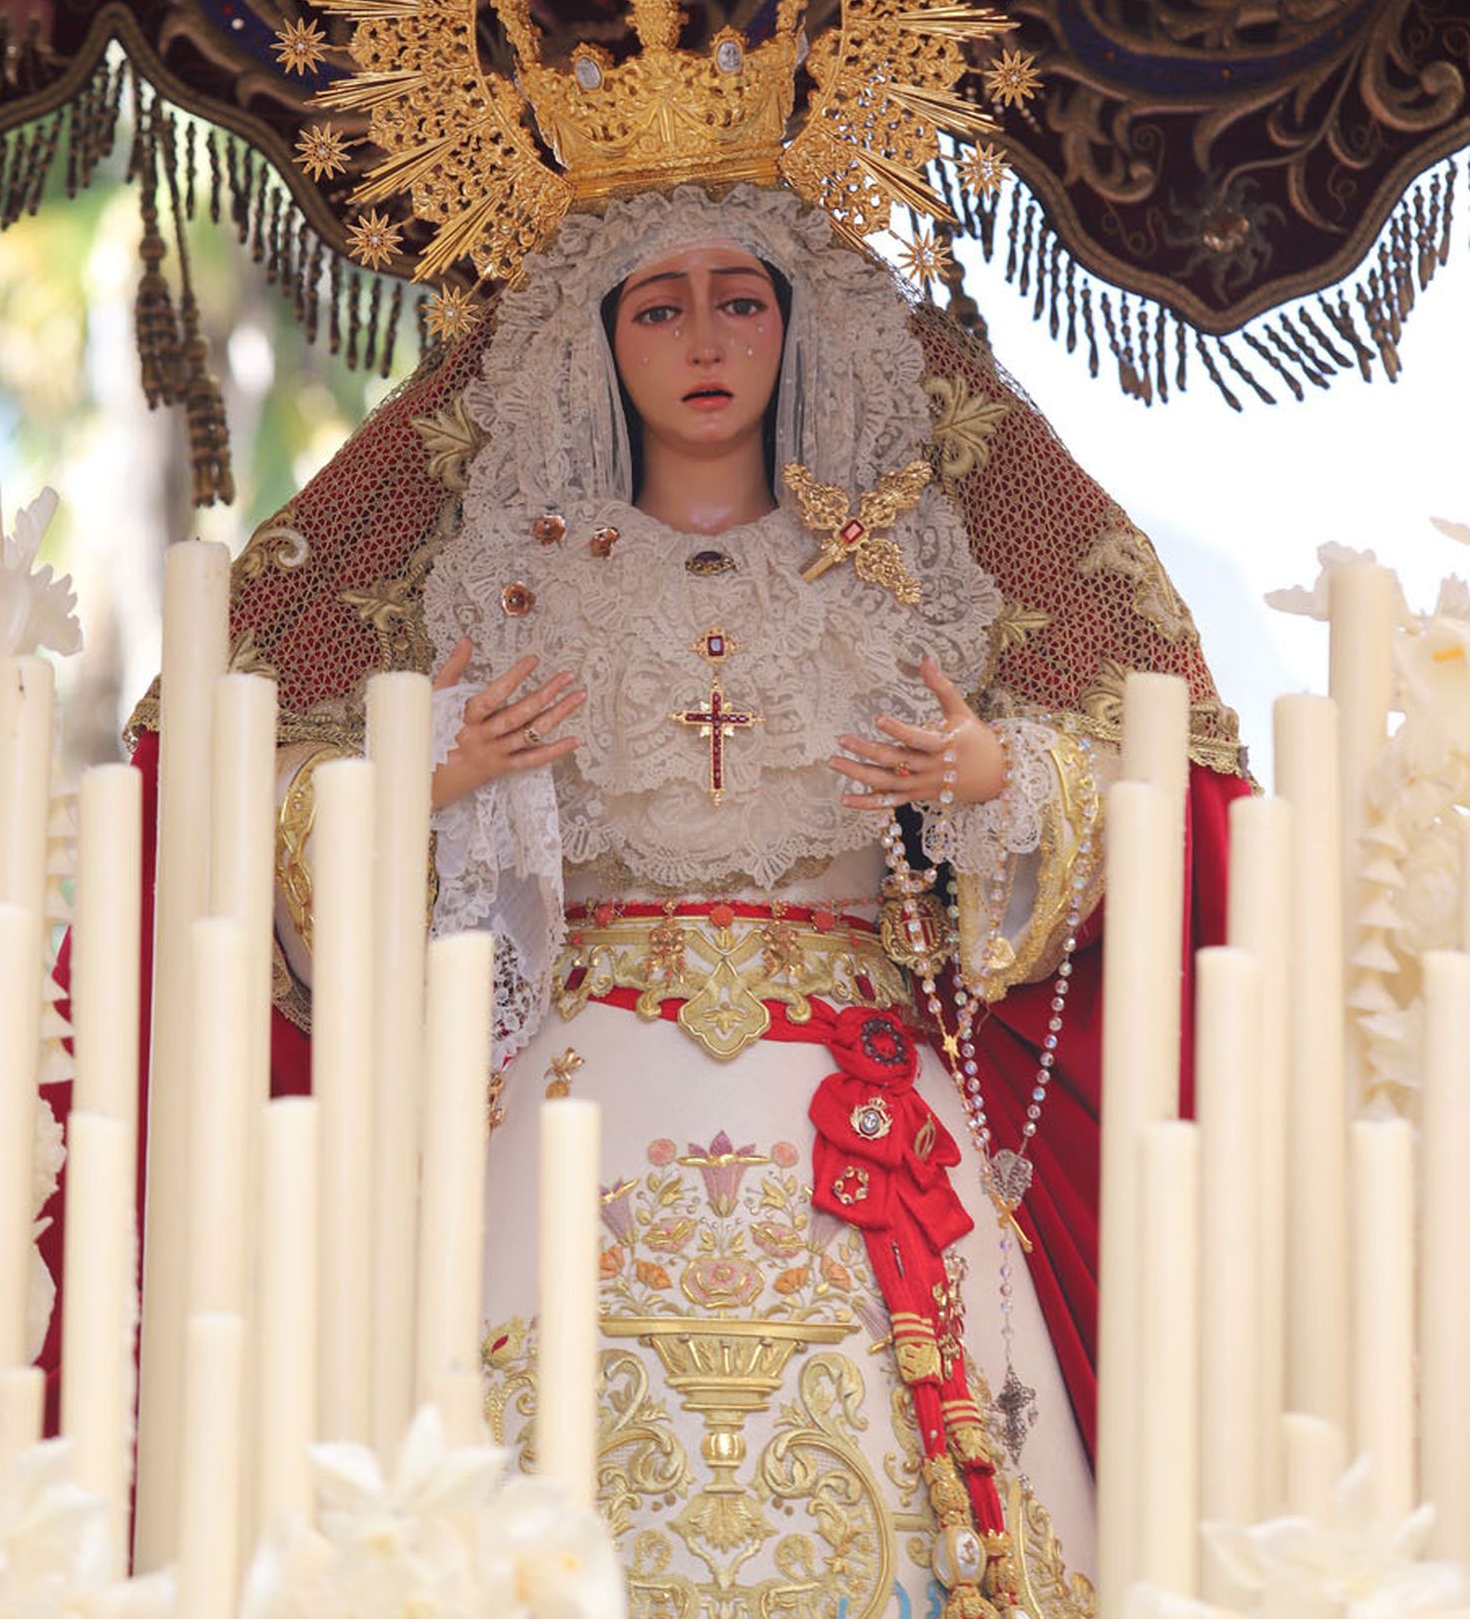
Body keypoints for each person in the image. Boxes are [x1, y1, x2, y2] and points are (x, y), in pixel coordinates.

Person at [223, 179, 1246, 1616]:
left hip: (866, 1096)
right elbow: (302, 856)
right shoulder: (514, 584)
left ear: (798, 327)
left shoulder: (902, 577)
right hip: (569, 1092)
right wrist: (436, 783)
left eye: (740, 298)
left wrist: (986, 771)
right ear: (598, 342)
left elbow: (1115, 805)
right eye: (659, 304)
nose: (704, 335)